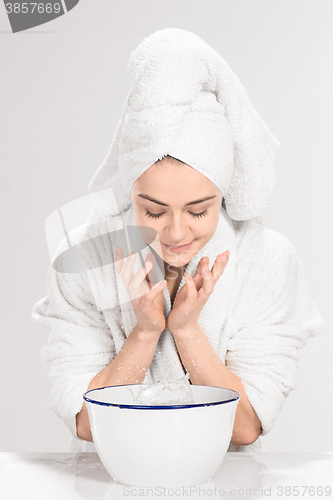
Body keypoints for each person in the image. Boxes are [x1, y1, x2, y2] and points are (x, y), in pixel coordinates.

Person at [31, 28, 323, 453]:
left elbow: (245, 427)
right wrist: (145, 333)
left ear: (222, 193)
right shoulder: (85, 257)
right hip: (113, 482)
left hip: (229, 485)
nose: (176, 233)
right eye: (152, 210)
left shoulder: (267, 260)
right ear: (128, 191)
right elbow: (87, 423)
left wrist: (186, 331)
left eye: (199, 210)